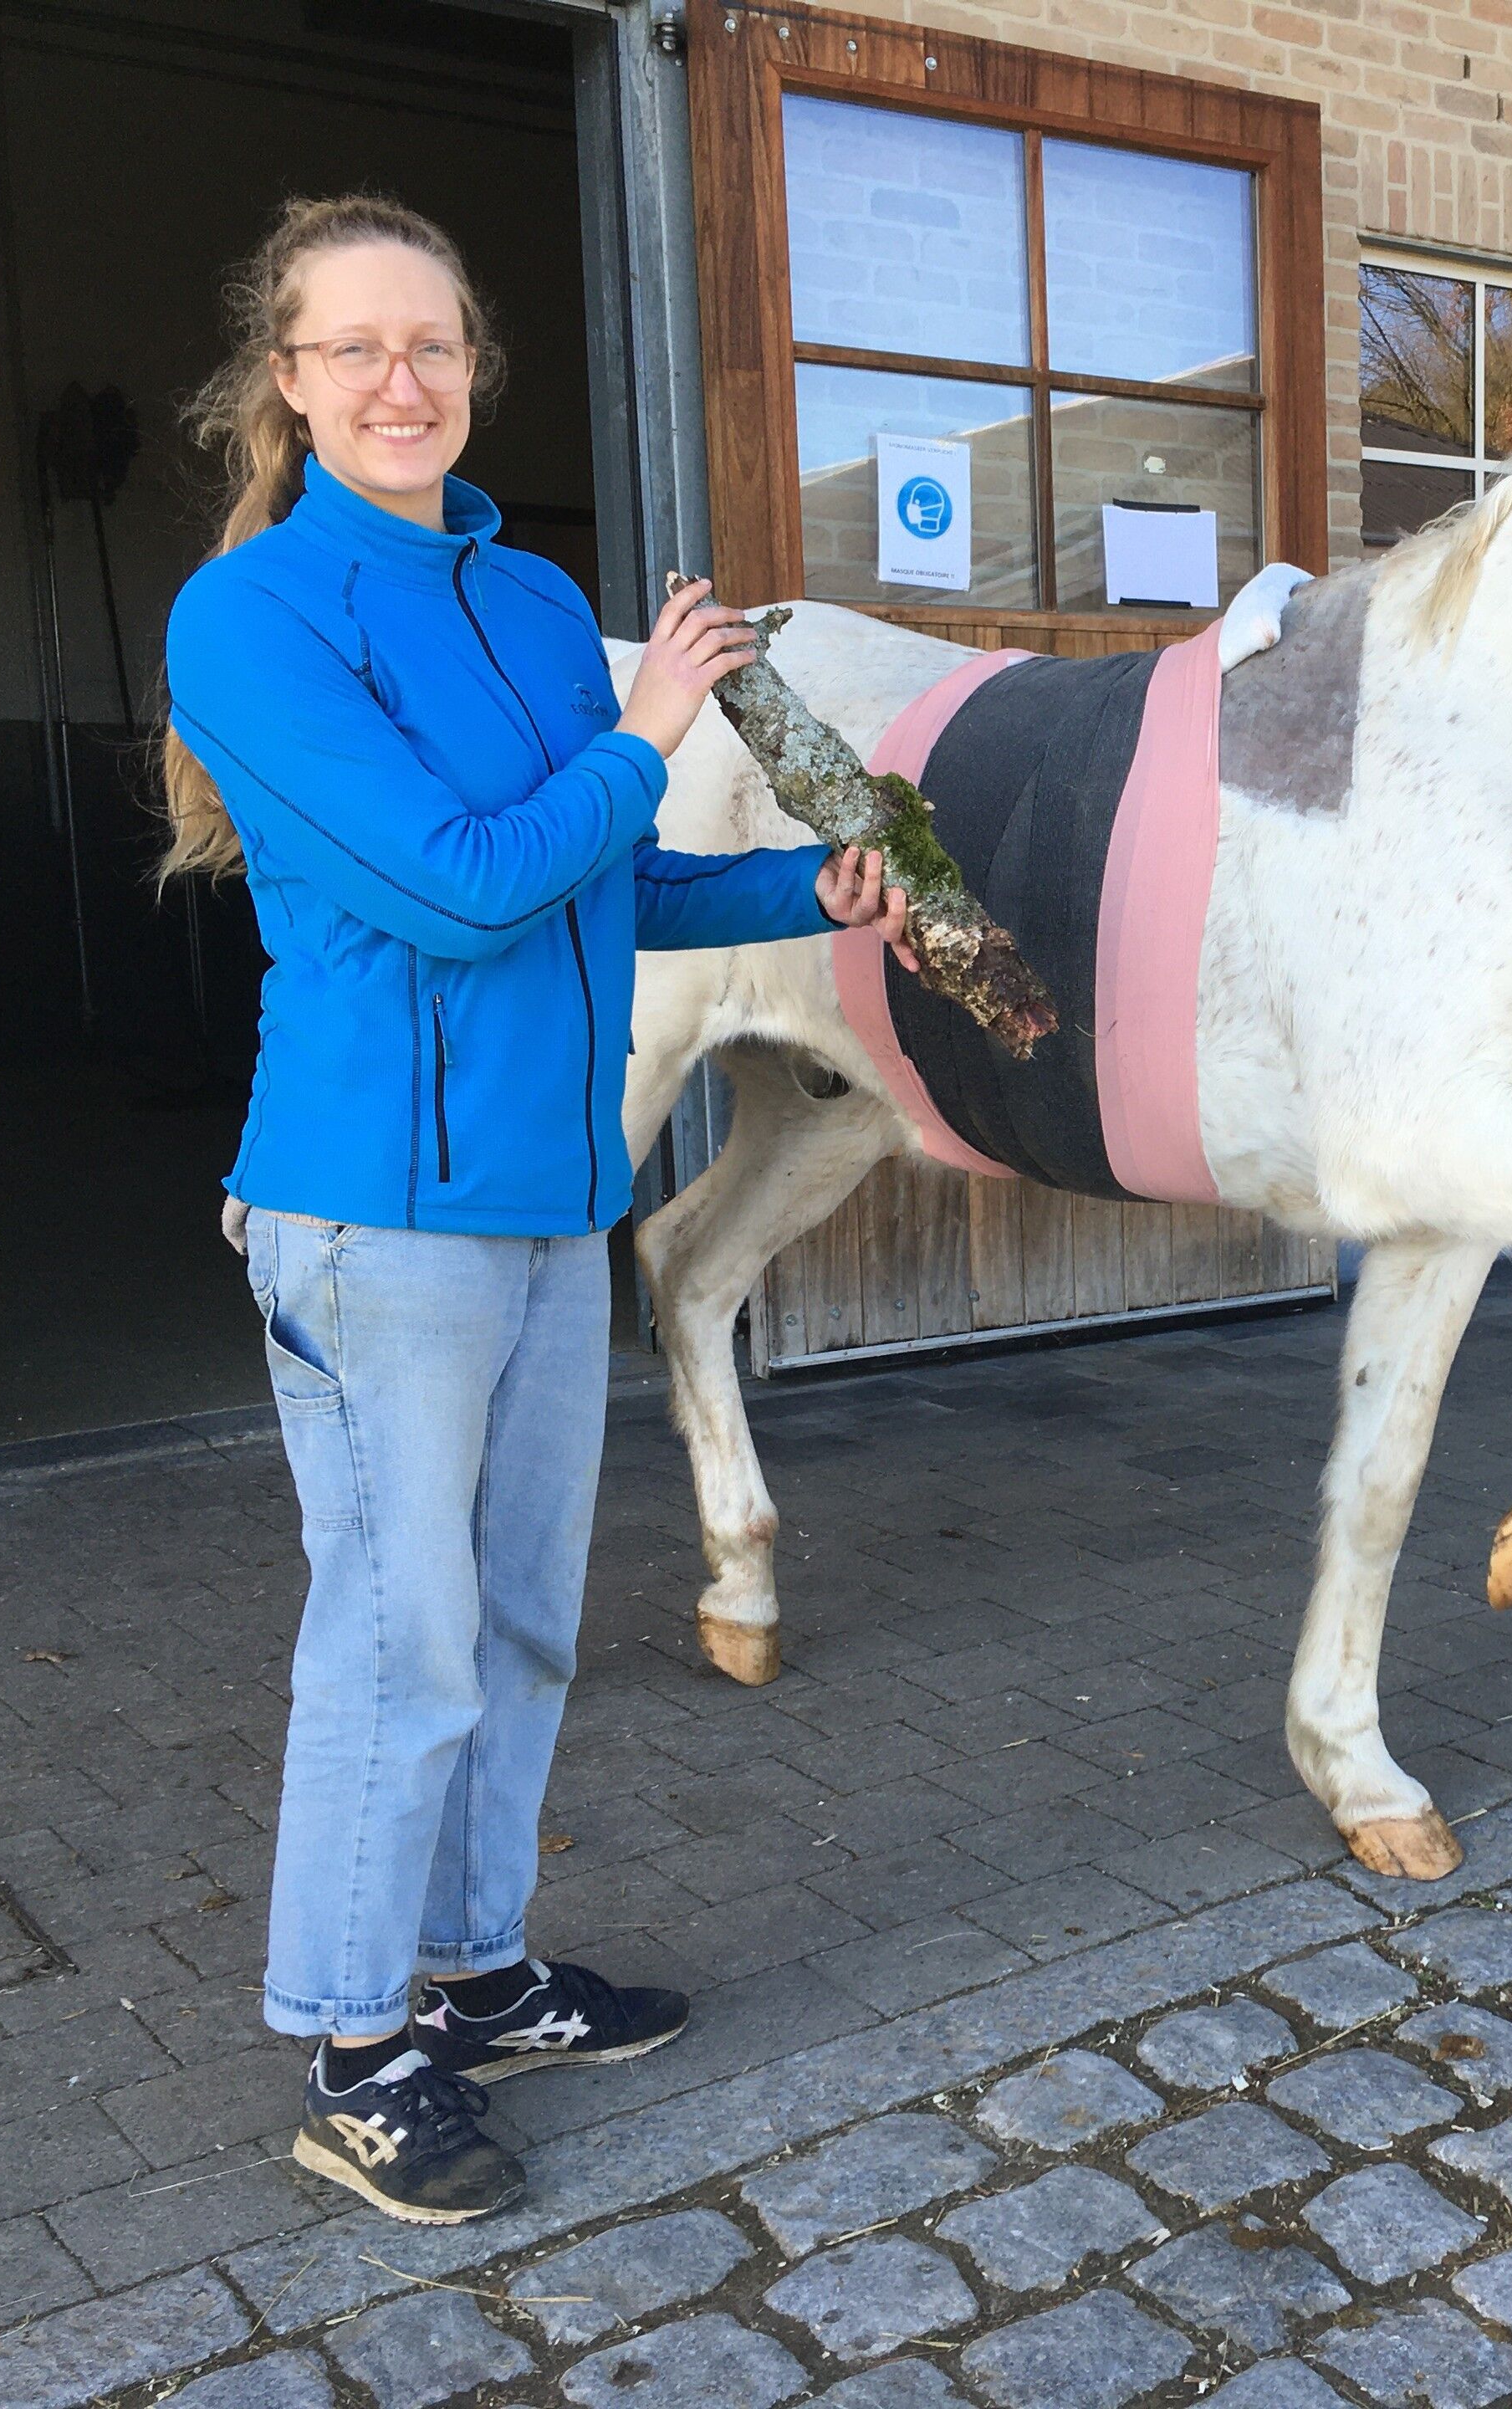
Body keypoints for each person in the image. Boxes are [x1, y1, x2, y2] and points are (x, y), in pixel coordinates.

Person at [160, 194, 912, 2225]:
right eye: (355, 347)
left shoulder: (527, 597)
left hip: (553, 1201)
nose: (400, 380)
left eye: (434, 343)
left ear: (475, 368)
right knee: (396, 1641)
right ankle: (352, 2047)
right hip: (376, 1219)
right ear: (291, 380)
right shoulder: (252, 619)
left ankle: (475, 1975)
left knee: (514, 1622)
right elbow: (465, 883)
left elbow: (602, 879)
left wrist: (805, 887)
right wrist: (653, 728)